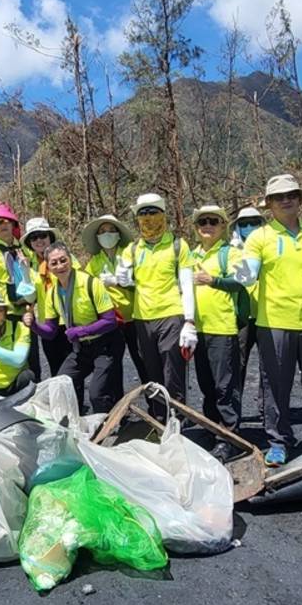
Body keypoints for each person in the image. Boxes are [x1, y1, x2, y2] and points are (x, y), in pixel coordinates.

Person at [239, 175, 302, 467]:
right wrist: (244, 272)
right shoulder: (260, 237)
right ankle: (278, 441)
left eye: (292, 194)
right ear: (268, 204)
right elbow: (248, 272)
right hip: (274, 324)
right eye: (279, 196)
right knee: (275, 386)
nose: (286, 200)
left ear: (300, 199)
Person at [115, 193, 198, 418]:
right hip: (142, 318)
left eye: (153, 212)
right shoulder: (132, 249)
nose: (148, 217)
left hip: (171, 315)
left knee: (173, 373)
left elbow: (186, 283)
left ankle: (177, 419)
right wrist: (122, 277)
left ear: (163, 214)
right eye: (142, 213)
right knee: (151, 374)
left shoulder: (178, 245)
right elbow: (127, 281)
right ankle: (160, 419)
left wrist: (190, 321)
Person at [189, 205, 249, 460]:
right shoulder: (190, 255)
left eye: (214, 221)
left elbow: (241, 281)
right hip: (196, 329)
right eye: (202, 221)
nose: (208, 225)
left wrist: (213, 280)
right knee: (207, 384)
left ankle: (229, 437)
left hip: (222, 328)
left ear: (223, 226)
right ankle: (212, 428)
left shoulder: (231, 254)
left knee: (225, 386)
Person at [33, 244, 121, 414]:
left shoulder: (90, 283)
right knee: (59, 384)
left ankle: (107, 429)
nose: (60, 266)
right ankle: (71, 424)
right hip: (82, 348)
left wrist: (81, 331)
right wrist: (34, 325)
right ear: (48, 267)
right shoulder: (53, 293)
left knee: (97, 393)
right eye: (54, 263)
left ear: (71, 260)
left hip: (106, 345)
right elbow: (50, 332)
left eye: (63, 260)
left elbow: (110, 321)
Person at [81, 214, 146, 385]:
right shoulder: (94, 262)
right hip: (111, 321)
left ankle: (155, 404)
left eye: (111, 230)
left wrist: (120, 283)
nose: (107, 234)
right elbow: (86, 288)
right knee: (112, 365)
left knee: (142, 361)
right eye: (102, 231)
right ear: (97, 237)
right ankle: (117, 407)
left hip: (134, 317)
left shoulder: (130, 255)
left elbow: (144, 283)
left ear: (118, 234)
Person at [231, 207, 270, 417]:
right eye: (244, 223)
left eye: (253, 222)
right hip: (242, 318)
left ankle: (266, 411)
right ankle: (234, 411)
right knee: (238, 365)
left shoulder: (268, 247)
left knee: (268, 367)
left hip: (267, 315)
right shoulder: (232, 251)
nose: (248, 227)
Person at [23, 217, 72, 376]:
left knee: (72, 369)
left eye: (42, 235)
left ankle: (75, 401)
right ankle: (62, 401)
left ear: (50, 237)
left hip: (69, 320)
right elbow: (30, 298)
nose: (39, 240)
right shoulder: (30, 265)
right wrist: (24, 274)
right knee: (56, 369)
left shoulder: (65, 258)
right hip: (48, 324)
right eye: (34, 237)